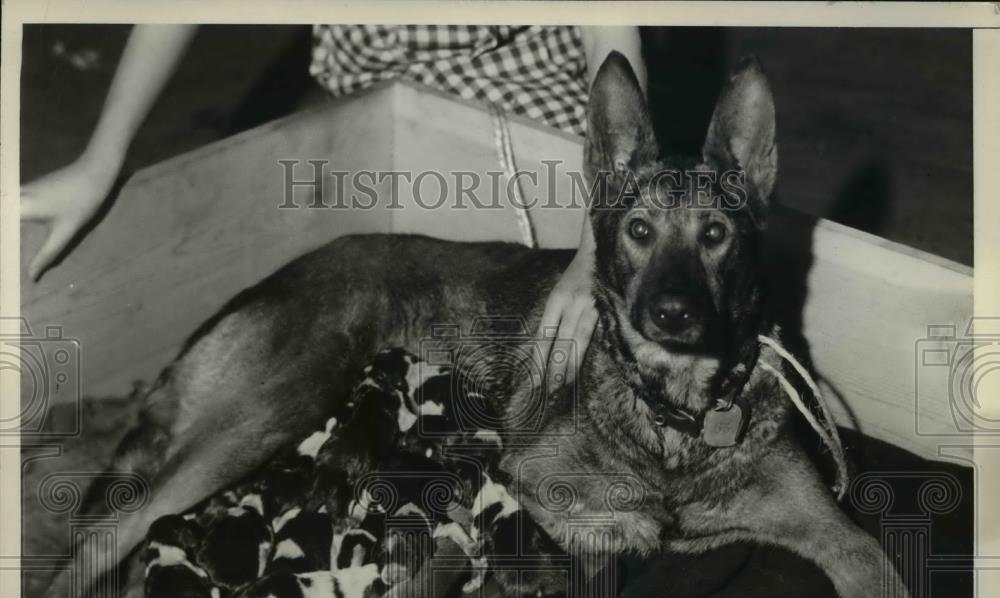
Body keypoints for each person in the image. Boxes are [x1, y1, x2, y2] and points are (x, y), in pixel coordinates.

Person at [20, 24, 647, 386]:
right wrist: (100, 162)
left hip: (526, 100)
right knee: (268, 306)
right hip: (367, 94)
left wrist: (596, 248)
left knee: (576, 352)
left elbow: (612, 43)